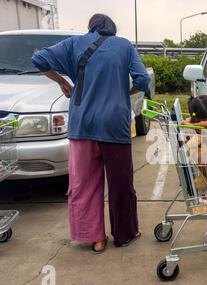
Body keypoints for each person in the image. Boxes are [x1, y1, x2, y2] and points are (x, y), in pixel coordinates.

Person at [32, 14, 150, 254]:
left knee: (84, 184)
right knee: (120, 183)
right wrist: (126, 92)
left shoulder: (74, 43)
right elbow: (143, 79)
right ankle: (125, 234)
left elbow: (39, 59)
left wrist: (62, 83)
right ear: (112, 28)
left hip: (82, 124)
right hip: (114, 125)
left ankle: (95, 238)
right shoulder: (124, 45)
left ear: (91, 27)